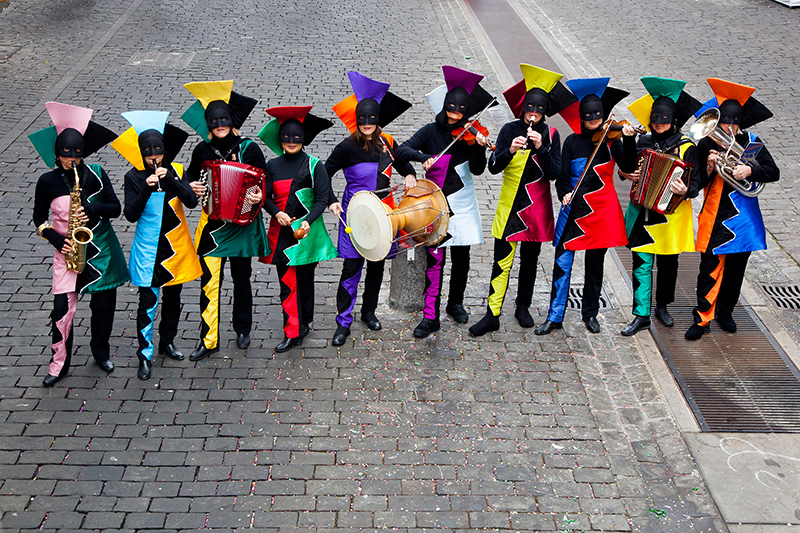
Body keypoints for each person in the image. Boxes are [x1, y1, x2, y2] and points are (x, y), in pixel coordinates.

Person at [469, 64, 574, 336]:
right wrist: (508, 151)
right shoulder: (508, 129)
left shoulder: (551, 135)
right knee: (501, 261)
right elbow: (493, 167)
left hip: (537, 207)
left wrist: (541, 148)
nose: (534, 115)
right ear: (523, 109)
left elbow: (553, 173)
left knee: (530, 260)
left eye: (539, 111)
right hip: (509, 205)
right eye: (530, 109)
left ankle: (522, 306)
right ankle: (492, 313)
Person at [29, 102, 128, 387]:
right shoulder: (46, 181)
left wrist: (92, 208)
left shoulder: (95, 173)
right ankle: (58, 365)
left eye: (77, 153)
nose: (72, 158)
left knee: (104, 309)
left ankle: (101, 352)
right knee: (61, 311)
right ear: (57, 153)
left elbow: (115, 208)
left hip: (101, 253)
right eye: (66, 154)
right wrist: (58, 241)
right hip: (68, 253)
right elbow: (38, 219)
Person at [397, 65, 495, 338]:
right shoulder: (430, 131)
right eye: (451, 109)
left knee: (462, 256)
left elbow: (477, 170)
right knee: (435, 258)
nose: (455, 116)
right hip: (435, 204)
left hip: (463, 202)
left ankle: (456, 303)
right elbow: (401, 150)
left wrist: (477, 146)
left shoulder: (470, 134)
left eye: (460, 112)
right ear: (444, 107)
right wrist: (419, 161)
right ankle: (431, 316)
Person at [535, 78, 636, 335]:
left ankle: (590, 314)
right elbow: (562, 176)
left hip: (601, 212)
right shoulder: (571, 142)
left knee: (595, 267)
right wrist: (564, 194)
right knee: (562, 264)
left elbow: (628, 167)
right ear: (582, 116)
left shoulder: (612, 141)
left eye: (598, 115)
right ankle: (554, 315)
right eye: (589, 115)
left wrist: (629, 140)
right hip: (573, 213)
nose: (594, 119)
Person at [685, 78, 779, 340]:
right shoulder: (706, 144)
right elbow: (698, 182)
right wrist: (708, 167)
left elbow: (774, 172)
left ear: (740, 123)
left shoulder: (752, 143)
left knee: (736, 270)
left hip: (744, 218)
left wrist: (750, 169)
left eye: (733, 123)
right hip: (715, 214)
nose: (728, 127)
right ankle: (702, 318)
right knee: (709, 269)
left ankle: (725, 313)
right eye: (724, 122)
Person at [326, 71, 416, 346]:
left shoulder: (388, 142)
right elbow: (323, 173)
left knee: (376, 266)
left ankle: (369, 311)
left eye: (372, 119)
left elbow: (402, 162)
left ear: (378, 120)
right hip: (355, 215)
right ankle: (343, 322)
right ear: (357, 120)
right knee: (352, 268)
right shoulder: (347, 147)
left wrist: (410, 174)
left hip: (384, 215)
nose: (367, 124)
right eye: (362, 120)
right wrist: (330, 200)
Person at [181, 80, 269, 361]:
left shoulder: (249, 148)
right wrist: (192, 187)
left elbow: (264, 182)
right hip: (212, 226)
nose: (219, 124)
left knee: (241, 278)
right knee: (209, 283)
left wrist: (257, 197)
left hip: (241, 225)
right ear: (208, 124)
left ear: (232, 121)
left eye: (224, 119)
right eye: (214, 121)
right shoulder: (201, 151)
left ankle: (243, 328)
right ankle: (208, 339)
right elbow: (189, 181)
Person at [113, 111, 202, 380]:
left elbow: (191, 201)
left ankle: (168, 342)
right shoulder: (133, 177)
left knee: (173, 299)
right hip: (148, 249)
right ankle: (144, 354)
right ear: (141, 153)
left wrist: (173, 179)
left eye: (159, 152)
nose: (155, 158)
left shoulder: (175, 170)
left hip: (175, 246)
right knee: (148, 302)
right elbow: (130, 214)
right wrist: (147, 188)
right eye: (150, 153)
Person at [618, 77, 703, 336]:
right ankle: (641, 313)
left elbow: (698, 180)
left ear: (673, 121)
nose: (659, 125)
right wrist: (628, 146)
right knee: (641, 264)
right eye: (655, 121)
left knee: (668, 264)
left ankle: (663, 306)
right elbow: (627, 167)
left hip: (671, 216)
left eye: (664, 121)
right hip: (643, 212)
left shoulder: (687, 147)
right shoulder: (643, 142)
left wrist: (687, 190)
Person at [258, 105, 337, 352]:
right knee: (286, 281)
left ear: (303, 140)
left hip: (306, 234)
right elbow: (266, 197)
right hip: (281, 232)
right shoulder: (272, 165)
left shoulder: (315, 165)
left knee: (305, 279)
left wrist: (308, 220)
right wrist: (277, 213)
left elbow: (323, 199)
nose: (291, 142)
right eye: (286, 138)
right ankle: (292, 329)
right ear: (280, 141)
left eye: (296, 138)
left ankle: (304, 322)